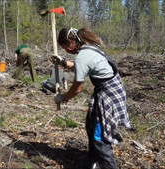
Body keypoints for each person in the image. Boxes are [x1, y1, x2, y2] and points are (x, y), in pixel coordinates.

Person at [53, 27, 131, 169]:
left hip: (109, 95)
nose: (66, 51)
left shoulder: (83, 56)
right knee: (91, 124)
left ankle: (107, 165)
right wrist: (64, 62)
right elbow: (84, 66)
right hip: (108, 90)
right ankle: (94, 162)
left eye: (65, 48)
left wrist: (62, 98)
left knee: (99, 136)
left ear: (70, 42)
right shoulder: (89, 48)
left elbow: (77, 88)